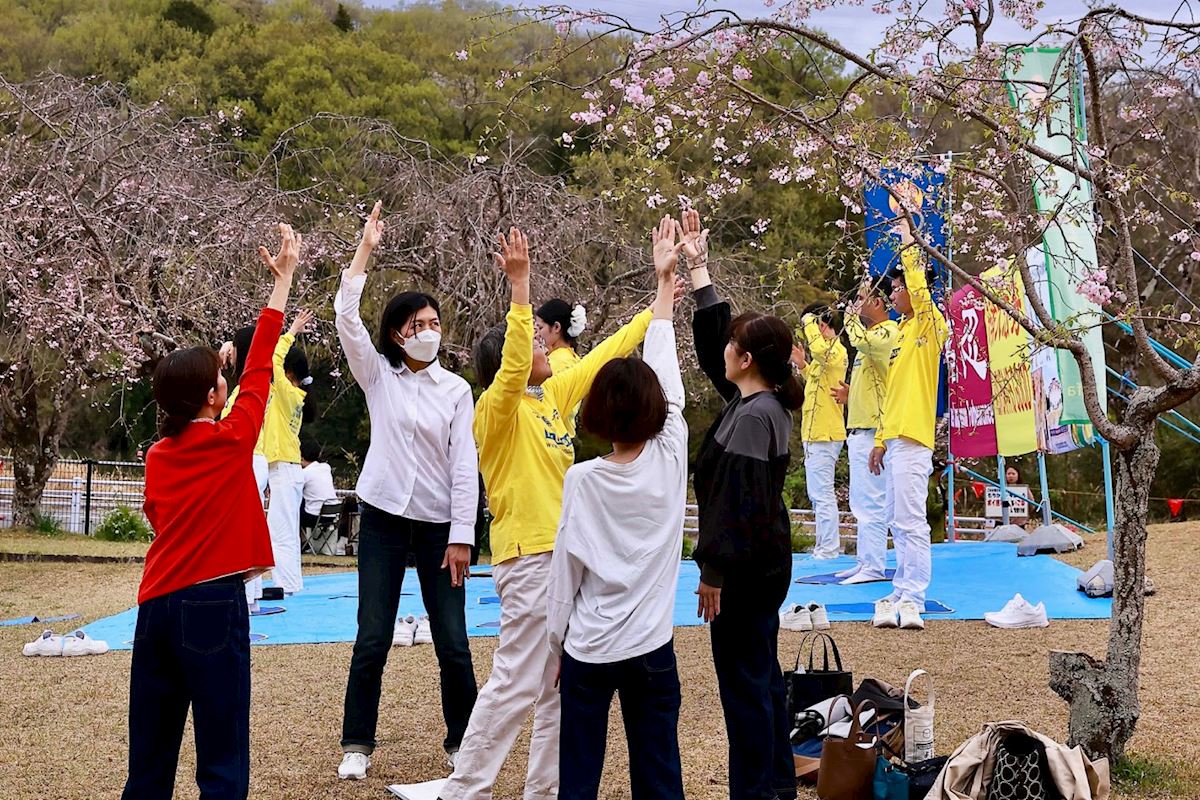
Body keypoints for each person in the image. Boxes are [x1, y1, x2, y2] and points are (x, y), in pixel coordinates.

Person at [439, 227, 659, 800]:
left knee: (560, 685)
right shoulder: (495, 409)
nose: (546, 349)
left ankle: (543, 793)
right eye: (536, 344)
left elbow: (605, 356)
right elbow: (514, 365)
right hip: (529, 556)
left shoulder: (551, 398)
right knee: (516, 680)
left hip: (566, 555)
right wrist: (520, 286)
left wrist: (658, 303)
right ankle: (465, 788)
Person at [122, 223, 300, 800]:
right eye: (220, 378)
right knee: (222, 758)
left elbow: (159, 517)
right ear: (211, 397)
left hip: (155, 604)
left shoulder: (158, 455)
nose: (228, 379)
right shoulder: (232, 440)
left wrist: (210, 373)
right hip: (213, 603)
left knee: (149, 761)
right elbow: (260, 367)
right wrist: (281, 284)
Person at [334, 202, 479, 779]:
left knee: (453, 641)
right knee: (372, 635)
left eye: (433, 323)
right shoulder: (377, 375)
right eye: (416, 325)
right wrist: (366, 248)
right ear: (396, 334)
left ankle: (462, 743)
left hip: (442, 527)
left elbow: (464, 466)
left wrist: (463, 535)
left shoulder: (456, 390)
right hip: (384, 520)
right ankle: (356, 743)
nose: (427, 332)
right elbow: (345, 315)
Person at [547, 216, 686, 800]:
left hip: (589, 646)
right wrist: (665, 287)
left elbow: (565, 575)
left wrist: (555, 644)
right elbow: (668, 380)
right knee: (659, 776)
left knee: (578, 778)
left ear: (598, 411)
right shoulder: (671, 454)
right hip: (650, 646)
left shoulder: (582, 480)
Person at [687, 209, 802, 800]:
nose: (726, 350)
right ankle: (774, 785)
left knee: (745, 686)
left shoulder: (756, 416)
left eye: (735, 344)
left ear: (749, 360)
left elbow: (739, 505)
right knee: (760, 677)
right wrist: (699, 272)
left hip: (747, 570)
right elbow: (715, 351)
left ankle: (757, 791)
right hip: (762, 564)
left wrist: (714, 571)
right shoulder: (754, 401)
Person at [868, 216, 949, 631]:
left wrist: (906, 237)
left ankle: (914, 595)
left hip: (915, 438)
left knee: (911, 519)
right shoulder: (900, 334)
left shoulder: (929, 324)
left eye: (897, 288)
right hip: (895, 437)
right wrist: (880, 440)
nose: (893, 294)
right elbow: (892, 394)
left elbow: (918, 286)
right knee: (895, 519)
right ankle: (901, 589)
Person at [221, 309, 313, 606]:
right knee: (272, 528)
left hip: (275, 462)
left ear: (289, 374)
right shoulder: (282, 393)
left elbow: (271, 358)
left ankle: (278, 587)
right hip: (274, 462)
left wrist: (292, 331)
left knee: (275, 529)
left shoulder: (286, 393)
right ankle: (275, 586)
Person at [833, 274, 900, 585]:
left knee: (872, 501)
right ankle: (865, 561)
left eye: (861, 298)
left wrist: (849, 320)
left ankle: (874, 565)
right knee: (860, 501)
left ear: (877, 302)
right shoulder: (868, 340)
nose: (856, 304)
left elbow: (863, 342)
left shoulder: (887, 332)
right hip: (859, 428)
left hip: (875, 430)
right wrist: (852, 395)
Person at [793, 303, 848, 559]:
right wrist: (803, 365)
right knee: (818, 494)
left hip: (824, 434)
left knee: (822, 494)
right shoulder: (826, 356)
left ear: (822, 326)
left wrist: (808, 320)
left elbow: (819, 349)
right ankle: (825, 546)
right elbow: (817, 380)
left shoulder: (834, 351)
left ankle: (828, 549)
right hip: (816, 432)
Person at [535, 298, 588, 437]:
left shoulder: (559, 362)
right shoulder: (571, 358)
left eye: (540, 328)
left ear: (556, 327)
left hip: (552, 436)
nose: (537, 334)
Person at [299, 440, 338, 532]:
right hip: (332, 514)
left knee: (294, 509)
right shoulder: (326, 467)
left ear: (301, 457)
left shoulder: (304, 473)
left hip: (314, 517)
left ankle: (300, 538)